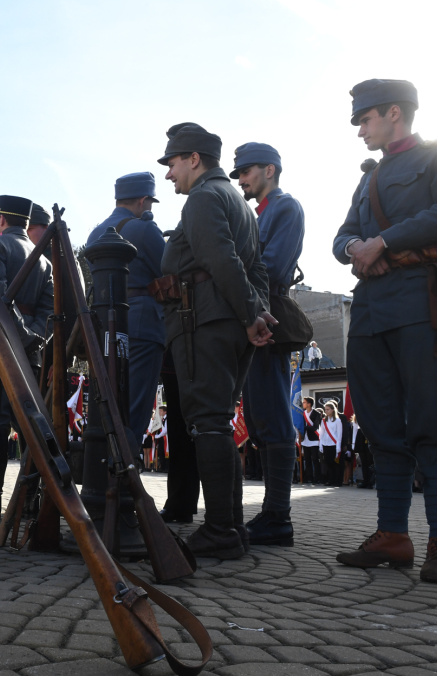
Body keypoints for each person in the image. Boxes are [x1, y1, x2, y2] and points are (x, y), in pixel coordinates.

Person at [332, 79, 437, 584]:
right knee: (381, 427)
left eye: (365, 120)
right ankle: (392, 535)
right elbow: (342, 235)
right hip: (370, 310)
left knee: (434, 424)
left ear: (395, 112)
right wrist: (356, 249)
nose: (360, 131)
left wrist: (384, 241)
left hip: (422, 303)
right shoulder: (368, 176)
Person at [156, 122, 274, 559]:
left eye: (172, 162)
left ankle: (221, 530)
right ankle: (231, 527)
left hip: (204, 320)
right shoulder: (239, 203)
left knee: (207, 421)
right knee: (218, 422)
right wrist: (257, 313)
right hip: (229, 320)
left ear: (193, 159)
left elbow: (220, 259)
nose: (169, 173)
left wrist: (250, 314)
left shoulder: (204, 197)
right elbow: (256, 267)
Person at [229, 142, 305, 546]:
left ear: (269, 170)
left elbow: (273, 267)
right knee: (257, 416)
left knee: (273, 413)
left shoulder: (285, 208)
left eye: (246, 172)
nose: (241, 179)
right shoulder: (253, 214)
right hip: (250, 318)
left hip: (268, 318)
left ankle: (279, 516)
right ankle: (273, 513)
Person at [0, 195, 54, 519]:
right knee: (30, 424)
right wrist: (31, 338)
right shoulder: (44, 261)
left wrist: (17, 336)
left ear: (2, 220)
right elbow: (47, 313)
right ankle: (31, 497)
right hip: (30, 351)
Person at [86, 172, 166, 461]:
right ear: (143, 200)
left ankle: (106, 478)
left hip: (105, 329)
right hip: (143, 326)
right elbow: (169, 268)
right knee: (135, 410)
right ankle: (125, 487)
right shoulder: (144, 229)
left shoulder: (96, 232)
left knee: (110, 405)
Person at [319, 401, 343, 487]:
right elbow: (321, 433)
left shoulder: (337, 420)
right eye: (325, 409)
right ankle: (331, 480)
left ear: (333, 410)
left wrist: (338, 446)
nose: (326, 411)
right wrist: (321, 444)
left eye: (328, 409)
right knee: (328, 463)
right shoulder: (323, 420)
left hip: (334, 444)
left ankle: (337, 481)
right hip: (326, 444)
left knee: (335, 464)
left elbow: (339, 435)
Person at [300, 397, 323, 485]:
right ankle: (309, 477)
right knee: (307, 459)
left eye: (304, 402)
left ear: (309, 404)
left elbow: (315, 427)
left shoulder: (316, 413)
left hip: (314, 439)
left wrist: (304, 427)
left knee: (315, 459)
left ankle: (317, 477)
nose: (303, 404)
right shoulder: (302, 413)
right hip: (305, 439)